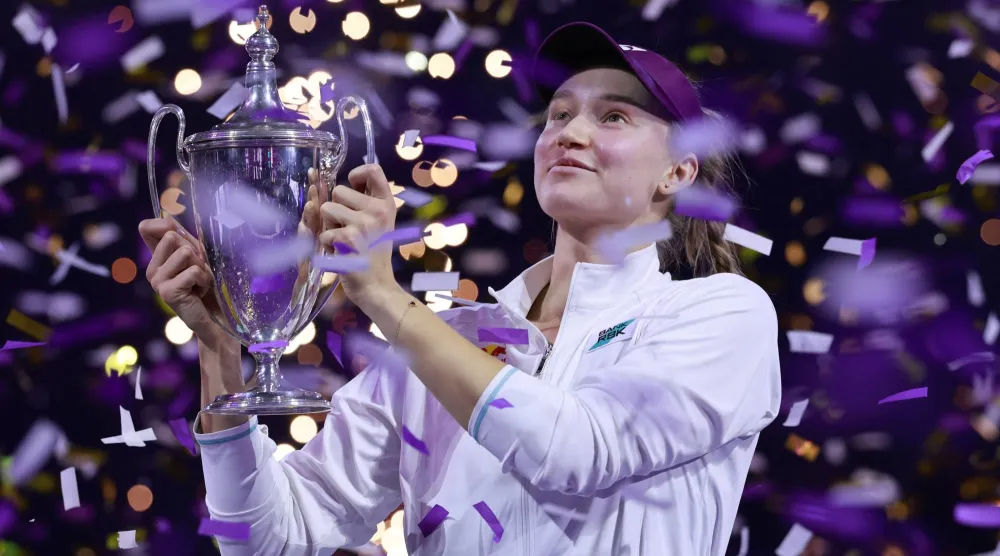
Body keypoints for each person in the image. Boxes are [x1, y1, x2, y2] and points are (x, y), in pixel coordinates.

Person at [138, 22, 781, 556]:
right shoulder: (446, 342)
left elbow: (575, 451)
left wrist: (386, 300)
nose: (569, 133)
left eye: (613, 116)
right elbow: (266, 541)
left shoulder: (721, 314)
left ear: (678, 170)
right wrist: (220, 350)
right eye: (558, 115)